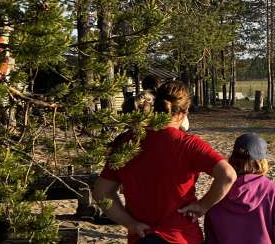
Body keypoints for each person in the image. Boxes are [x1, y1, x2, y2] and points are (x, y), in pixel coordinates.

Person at [94, 81, 236, 244]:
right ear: (185, 112)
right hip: (181, 237)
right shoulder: (188, 144)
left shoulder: (127, 143)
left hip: (142, 236)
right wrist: (203, 206)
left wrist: (129, 223)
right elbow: (228, 175)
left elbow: (101, 192)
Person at [202, 133, 275, 244]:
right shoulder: (271, 191)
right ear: (262, 162)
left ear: (232, 158)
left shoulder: (218, 190)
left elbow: (211, 237)